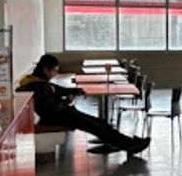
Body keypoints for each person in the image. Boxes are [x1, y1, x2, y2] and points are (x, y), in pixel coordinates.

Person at [18, 54, 150, 155]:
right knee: (96, 126)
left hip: (63, 113)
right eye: (54, 71)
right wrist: (66, 101)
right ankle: (129, 145)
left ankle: (124, 142)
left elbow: (57, 90)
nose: (55, 74)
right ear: (46, 69)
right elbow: (50, 107)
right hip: (59, 117)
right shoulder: (38, 85)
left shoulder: (38, 81)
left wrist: (75, 91)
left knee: (100, 123)